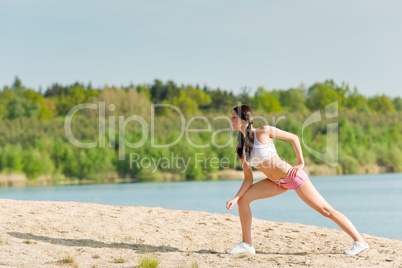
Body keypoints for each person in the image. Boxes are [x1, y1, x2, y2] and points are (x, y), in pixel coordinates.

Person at [226, 105, 369, 255]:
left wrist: (301, 163)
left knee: (326, 210)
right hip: (275, 183)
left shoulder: (264, 131)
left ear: (244, 119)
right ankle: (246, 245)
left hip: (292, 176)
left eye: (233, 117)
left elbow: (294, 138)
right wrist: (235, 198)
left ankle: (360, 242)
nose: (230, 120)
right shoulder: (240, 148)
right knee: (243, 200)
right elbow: (249, 179)